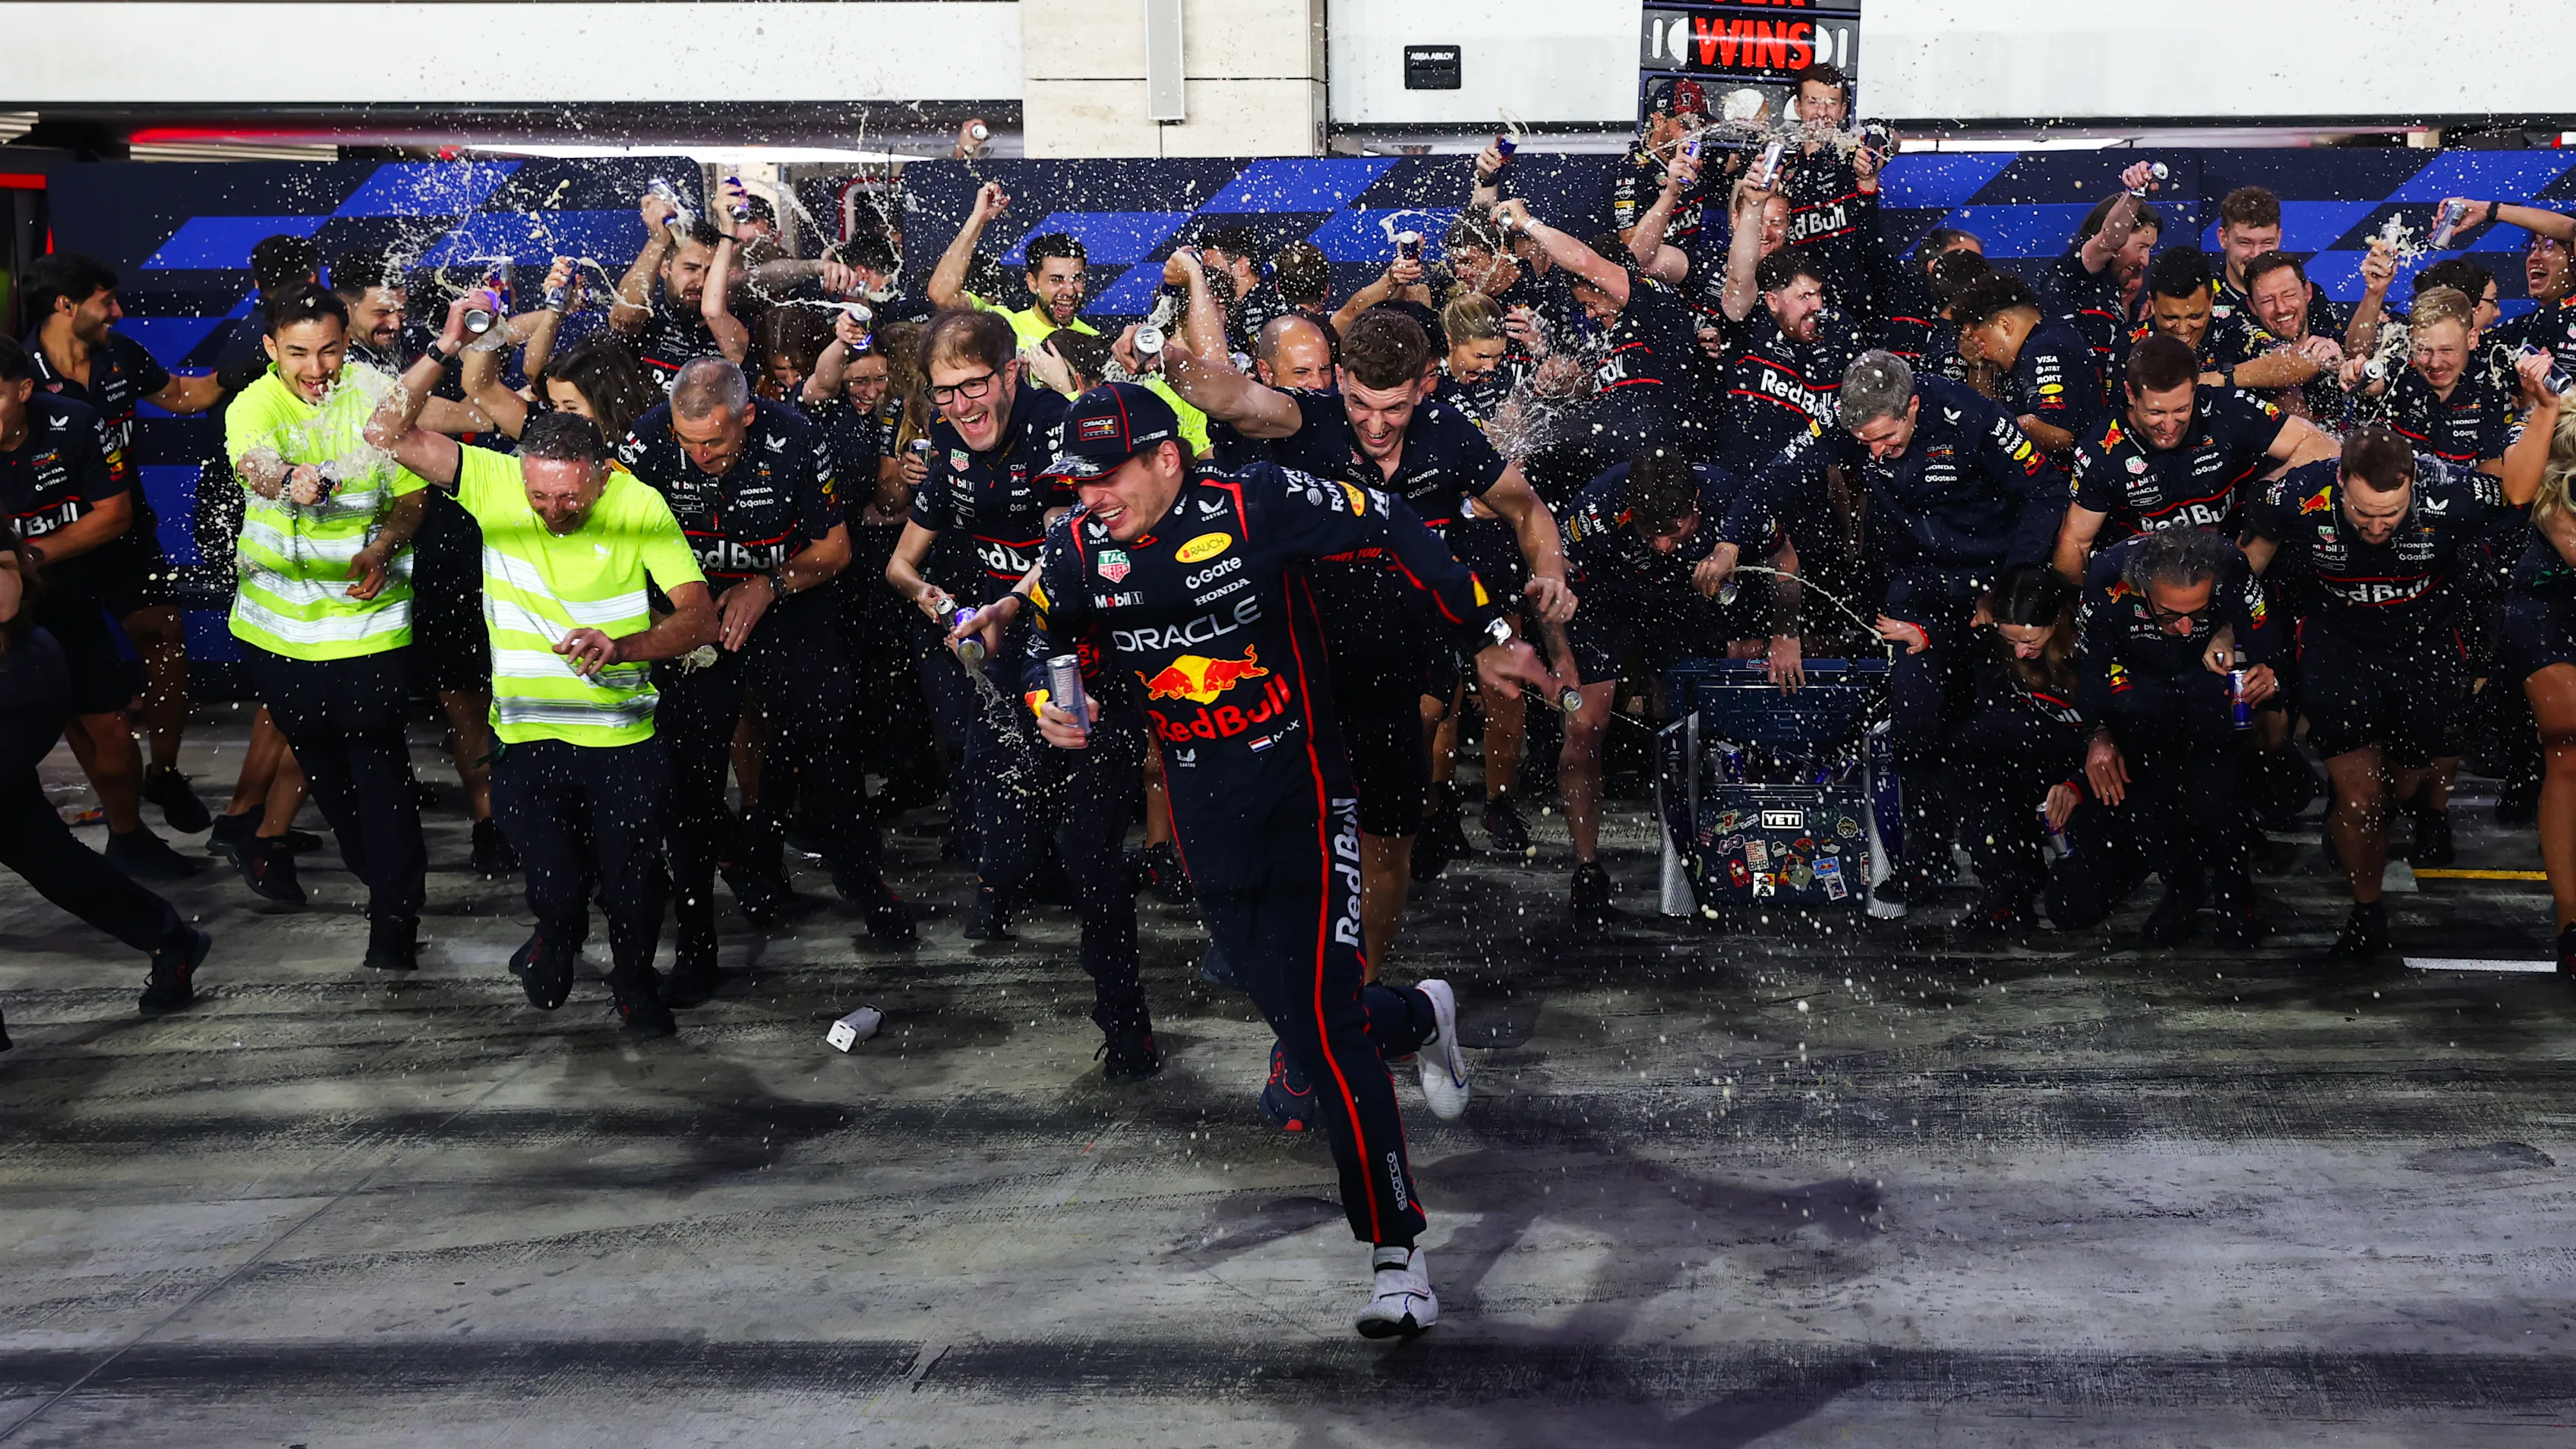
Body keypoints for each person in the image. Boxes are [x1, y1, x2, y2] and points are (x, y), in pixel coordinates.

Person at [1023, 380, 1555, 1339]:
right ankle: (1420, 1015)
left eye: (1107, 477)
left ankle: (1399, 1253)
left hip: (1307, 796)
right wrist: (1051, 701)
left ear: (1166, 459)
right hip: (1204, 817)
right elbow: (1052, 643)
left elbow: (1390, 521)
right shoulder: (1072, 548)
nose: (1091, 497)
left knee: (1322, 1033)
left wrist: (1486, 632)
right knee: (1313, 1018)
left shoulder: (1252, 502)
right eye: (1079, 481)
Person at [1160, 307, 1574, 957]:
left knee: (1386, 846)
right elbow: (1223, 392)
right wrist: (1167, 353)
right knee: (1282, 829)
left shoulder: (1450, 434)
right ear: (1341, 380)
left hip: (1396, 670)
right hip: (1296, 666)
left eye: (1395, 410)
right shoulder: (1307, 418)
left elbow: (1527, 511)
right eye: (1360, 405)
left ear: (1424, 386)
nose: (1376, 426)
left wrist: (1550, 571)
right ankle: (1275, 951)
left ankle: (1363, 989)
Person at [368, 383, 718, 1040]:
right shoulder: (493, 480)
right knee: (553, 882)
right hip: (527, 738)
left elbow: (699, 620)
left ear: (601, 475)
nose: (554, 510)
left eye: (569, 497)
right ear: (521, 473)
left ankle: (633, 982)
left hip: (622, 741)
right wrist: (445, 347)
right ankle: (556, 934)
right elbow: (383, 434)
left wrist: (623, 647)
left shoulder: (638, 503)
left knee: (634, 884)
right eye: (540, 496)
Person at [1705, 350, 2070, 917]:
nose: (1874, 453)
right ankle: (1924, 861)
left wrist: (2004, 593)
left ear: (1914, 407)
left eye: (1886, 439)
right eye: (1864, 442)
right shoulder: (1845, 417)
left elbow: (2047, 491)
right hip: (1915, 589)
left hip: (1991, 583)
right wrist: (1731, 539)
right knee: (1914, 716)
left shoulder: (1970, 416)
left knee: (1991, 730)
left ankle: (2010, 888)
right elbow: (1776, 474)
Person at [619, 355, 914, 998]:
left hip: (789, 598)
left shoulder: (798, 437)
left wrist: (769, 585)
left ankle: (864, 885)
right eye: (688, 442)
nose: (699, 456)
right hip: (690, 610)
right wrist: (664, 614)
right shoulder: (645, 441)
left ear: (748, 416)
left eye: (715, 441)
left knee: (827, 752)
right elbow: (607, 541)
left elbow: (834, 549)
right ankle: (697, 947)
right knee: (691, 781)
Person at [2243, 421, 2541, 958]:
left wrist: (2544, 410)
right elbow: (2245, 567)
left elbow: (2521, 492)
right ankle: (2367, 911)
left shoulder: (2450, 488)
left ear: (2412, 485)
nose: (2377, 527)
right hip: (2339, 648)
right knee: (2362, 801)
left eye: (2391, 514)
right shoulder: (2295, 493)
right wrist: (2229, 637)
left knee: (2400, 787)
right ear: (2340, 481)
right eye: (2362, 513)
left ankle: (2392, 814)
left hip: (2425, 650)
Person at [223, 283, 431, 968]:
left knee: (379, 768)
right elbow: (255, 464)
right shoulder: (252, 403)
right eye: (298, 354)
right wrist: (288, 480)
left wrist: (384, 546)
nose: (316, 369)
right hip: (280, 634)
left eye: (330, 351)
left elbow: (410, 500)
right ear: (269, 349)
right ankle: (384, 884)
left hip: (370, 623)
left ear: (350, 342)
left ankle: (394, 924)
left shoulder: (379, 393)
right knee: (327, 778)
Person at [22, 251, 229, 839]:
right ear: (66, 305)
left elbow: (184, 396)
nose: (118, 310)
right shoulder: (19, 372)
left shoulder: (122, 355)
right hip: (55, 550)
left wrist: (244, 366)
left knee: (166, 636)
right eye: (105, 300)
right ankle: (124, 823)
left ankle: (162, 773)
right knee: (74, 690)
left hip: (128, 533)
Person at [886, 308, 1074, 937]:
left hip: (1052, 620)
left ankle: (1044, 874)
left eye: (974, 385)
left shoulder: (1055, 425)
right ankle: (998, 883)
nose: (961, 406)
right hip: (972, 624)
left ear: (1011, 374)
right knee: (984, 751)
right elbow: (900, 566)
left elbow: (1063, 548)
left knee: (1054, 747)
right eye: (945, 390)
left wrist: (1013, 603)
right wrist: (928, 595)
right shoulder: (946, 434)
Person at [333, 251, 520, 878]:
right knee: (463, 693)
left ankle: (524, 815)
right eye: (380, 309)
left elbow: (492, 379)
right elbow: (437, 416)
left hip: (477, 533)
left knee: (506, 685)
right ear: (346, 309)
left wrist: (496, 322)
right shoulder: (348, 370)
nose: (393, 318)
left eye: (399, 306)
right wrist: (496, 401)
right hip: (427, 546)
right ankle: (489, 821)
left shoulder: (405, 351)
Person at [1558, 447, 1798, 909]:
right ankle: (1586, 869)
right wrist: (1560, 654)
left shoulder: (1731, 496)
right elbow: (1552, 572)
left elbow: (1785, 558)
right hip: (1606, 600)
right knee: (1584, 725)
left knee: (1690, 725)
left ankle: (1700, 850)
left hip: (1687, 604)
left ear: (1697, 506)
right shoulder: (1599, 507)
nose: (1664, 545)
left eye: (1675, 532)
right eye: (1652, 533)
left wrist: (1785, 634)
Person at [0, 336, 202, 883]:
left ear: (23, 390)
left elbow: (113, 515)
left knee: (109, 725)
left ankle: (129, 835)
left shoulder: (75, 422)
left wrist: (30, 556)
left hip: (66, 594)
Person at [0, 524, 210, 1043]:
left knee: (42, 850)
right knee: (50, 858)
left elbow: (7, 595)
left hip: (17, 684)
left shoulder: (28, 646)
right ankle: (171, 939)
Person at [2076, 526, 2280, 944]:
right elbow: (2090, 666)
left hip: (2207, 674)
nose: (2186, 626)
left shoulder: (2231, 565)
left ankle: (2233, 886)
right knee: (2145, 798)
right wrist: (2096, 734)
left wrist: (2267, 670)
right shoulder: (2106, 574)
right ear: (2142, 589)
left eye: (2197, 611)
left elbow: (2267, 633)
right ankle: (2184, 886)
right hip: (2136, 680)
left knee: (2218, 793)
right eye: (2170, 614)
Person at [1942, 564, 2145, 936]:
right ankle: (2007, 887)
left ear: (2056, 618)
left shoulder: (2095, 642)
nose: (2020, 649)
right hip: (2040, 765)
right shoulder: (2001, 647)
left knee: (2071, 911)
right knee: (1972, 751)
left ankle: (2137, 858)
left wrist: (2076, 785)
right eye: (2010, 639)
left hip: (2107, 777)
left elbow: (2138, 737)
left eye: (2030, 640)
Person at [2052, 334, 2335, 573]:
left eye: (2181, 410)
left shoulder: (2227, 408)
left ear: (2195, 387)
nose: (2169, 426)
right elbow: (2076, 544)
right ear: (2130, 393)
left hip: (2238, 569)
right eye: (2156, 412)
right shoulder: (2102, 449)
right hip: (2151, 583)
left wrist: (2269, 494)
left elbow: (2323, 444)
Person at [2500, 387, 2576, 974]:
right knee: (2568, 749)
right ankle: (2571, 923)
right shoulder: (2555, 424)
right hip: (2549, 601)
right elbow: (2534, 503)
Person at [1721, 247, 1858, 474]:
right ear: (1773, 301)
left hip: (1809, 487)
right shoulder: (1748, 323)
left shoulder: (1839, 328)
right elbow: (1737, 279)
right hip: (1743, 478)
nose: (1818, 306)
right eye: (1804, 296)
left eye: (1819, 293)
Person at [1949, 271, 2105, 460]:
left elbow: (2061, 436)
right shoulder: (2047, 338)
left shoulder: (2042, 349)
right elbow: (1988, 408)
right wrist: (1979, 367)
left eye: (1979, 340)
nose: (1980, 351)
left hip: (2070, 482)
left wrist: (2008, 426)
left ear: (2005, 325)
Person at [927, 184, 1095, 349]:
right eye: (1056, 280)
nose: (1069, 291)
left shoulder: (1093, 341)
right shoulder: (1003, 326)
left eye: (1076, 279)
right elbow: (942, 295)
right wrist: (979, 218)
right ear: (1032, 283)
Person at [2210, 251, 2349, 421]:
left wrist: (2346, 370)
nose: (2281, 308)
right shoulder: (2241, 346)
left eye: (2289, 295)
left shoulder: (2332, 341)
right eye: (2267, 301)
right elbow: (2289, 364)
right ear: (2252, 306)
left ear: (2308, 292)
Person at [2053, 161, 2164, 373]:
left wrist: (2138, 332)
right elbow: (2109, 241)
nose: (2146, 260)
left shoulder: (2135, 301)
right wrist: (2134, 195)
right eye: (2141, 247)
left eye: (2150, 249)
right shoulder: (2074, 271)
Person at [610, 186, 724, 385]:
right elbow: (624, 318)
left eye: (710, 271)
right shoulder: (649, 318)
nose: (702, 281)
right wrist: (657, 242)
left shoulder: (731, 325)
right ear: (665, 268)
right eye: (690, 268)